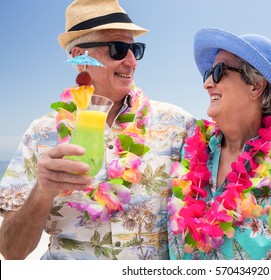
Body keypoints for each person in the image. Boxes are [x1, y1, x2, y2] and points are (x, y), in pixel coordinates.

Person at [0, 0, 195, 260]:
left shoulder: (177, 124)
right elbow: (12, 251)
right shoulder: (40, 132)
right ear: (80, 57)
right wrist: (42, 193)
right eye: (118, 48)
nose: (131, 61)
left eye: (135, 49)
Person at [168, 28, 271, 260]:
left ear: (255, 86)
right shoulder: (186, 145)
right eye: (207, 74)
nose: (207, 83)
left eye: (219, 71)